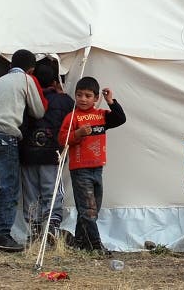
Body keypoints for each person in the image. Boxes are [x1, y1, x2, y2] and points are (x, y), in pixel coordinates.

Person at [0, 49, 48, 252]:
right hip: (4, 135)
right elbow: (38, 110)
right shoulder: (27, 79)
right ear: (31, 69)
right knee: (9, 187)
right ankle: (2, 235)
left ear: (10, 65)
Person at [58, 77, 126, 253]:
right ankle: (96, 245)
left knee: (92, 208)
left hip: (97, 168)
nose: (83, 99)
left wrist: (111, 101)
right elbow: (61, 139)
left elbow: (120, 119)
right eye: (79, 95)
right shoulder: (72, 117)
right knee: (88, 210)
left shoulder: (101, 115)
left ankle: (80, 241)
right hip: (80, 169)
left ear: (96, 98)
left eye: (88, 96)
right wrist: (78, 133)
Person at [19, 61, 74, 244]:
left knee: (31, 192)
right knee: (52, 191)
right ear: (55, 81)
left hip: (28, 154)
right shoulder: (64, 101)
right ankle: (51, 227)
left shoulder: (27, 97)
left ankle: (33, 231)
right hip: (52, 155)